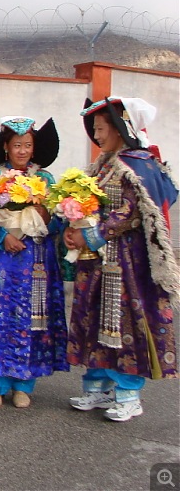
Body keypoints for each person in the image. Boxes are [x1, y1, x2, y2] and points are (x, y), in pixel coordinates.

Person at [64, 97, 178, 422]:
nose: (97, 136)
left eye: (101, 129)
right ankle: (97, 387)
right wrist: (70, 224)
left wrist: (90, 234)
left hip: (126, 264)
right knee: (97, 319)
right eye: (95, 130)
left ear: (119, 128)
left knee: (123, 321)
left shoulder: (137, 164)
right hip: (99, 263)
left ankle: (128, 394)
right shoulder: (104, 163)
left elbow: (130, 212)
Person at [0, 117, 69, 409]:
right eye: (17, 145)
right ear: (6, 146)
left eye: (27, 145)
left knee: (34, 319)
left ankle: (24, 384)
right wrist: (2, 236)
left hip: (37, 259)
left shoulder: (47, 181)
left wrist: (43, 219)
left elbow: (60, 221)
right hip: (3, 261)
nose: (22, 151)